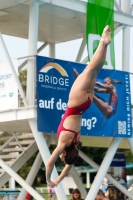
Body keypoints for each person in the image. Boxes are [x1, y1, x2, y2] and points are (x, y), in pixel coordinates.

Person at [46, 25, 112, 188]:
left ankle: (105, 43)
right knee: (90, 68)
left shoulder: (76, 142)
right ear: (64, 154)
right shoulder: (64, 143)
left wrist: (58, 181)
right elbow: (49, 164)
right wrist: (49, 180)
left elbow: (70, 164)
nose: (61, 158)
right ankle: (103, 42)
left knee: (95, 71)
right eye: (62, 157)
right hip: (75, 103)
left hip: (85, 104)